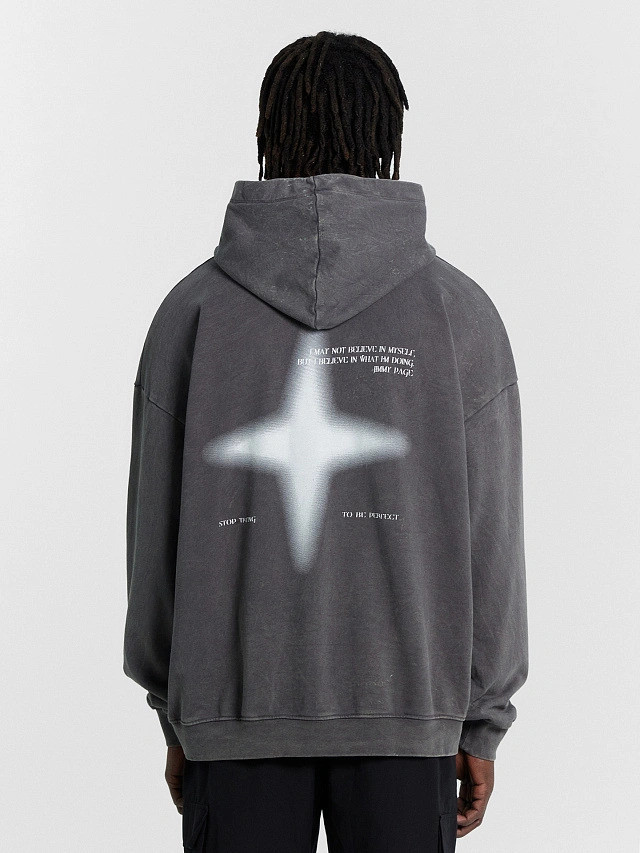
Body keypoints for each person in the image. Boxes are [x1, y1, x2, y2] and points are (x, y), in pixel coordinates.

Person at [123, 30, 529, 853]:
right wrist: (481, 719)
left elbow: (153, 537)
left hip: (234, 716)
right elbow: (491, 538)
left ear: (271, 132)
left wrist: (179, 708)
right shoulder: (460, 315)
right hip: (408, 717)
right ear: (386, 136)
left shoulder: (191, 313)